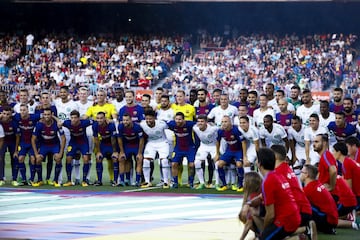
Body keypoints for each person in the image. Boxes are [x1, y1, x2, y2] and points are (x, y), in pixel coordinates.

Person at [255, 147, 301, 240]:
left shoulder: (268, 180)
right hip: (294, 216)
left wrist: (264, 230)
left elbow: (270, 215)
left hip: (285, 220)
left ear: (259, 164)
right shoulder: (277, 175)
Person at [271, 144, 315, 239]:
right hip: (303, 210)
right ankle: (302, 232)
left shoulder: (278, 172)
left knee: (276, 232)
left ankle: (304, 229)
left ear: (274, 156)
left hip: (298, 212)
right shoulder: (287, 168)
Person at [31, 108, 65, 187]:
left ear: (51, 115)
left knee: (58, 158)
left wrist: (61, 153)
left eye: (48, 114)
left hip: (54, 145)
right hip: (44, 145)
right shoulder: (39, 124)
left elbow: (63, 138)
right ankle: (40, 180)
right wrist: (36, 154)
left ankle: (56, 181)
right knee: (38, 159)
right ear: (43, 115)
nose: (47, 116)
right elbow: (33, 139)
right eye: (45, 114)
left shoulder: (56, 124)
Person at [60, 110, 93, 187]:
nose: (73, 119)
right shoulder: (67, 123)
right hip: (73, 143)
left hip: (83, 143)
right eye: (72, 118)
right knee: (68, 158)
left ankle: (84, 180)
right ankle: (69, 180)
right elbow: (59, 123)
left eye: (75, 118)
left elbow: (94, 121)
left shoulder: (84, 122)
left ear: (79, 118)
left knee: (85, 159)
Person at [215, 115, 247, 192]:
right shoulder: (220, 131)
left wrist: (245, 156)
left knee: (239, 164)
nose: (224, 123)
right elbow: (217, 141)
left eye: (225, 121)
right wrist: (217, 153)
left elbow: (243, 142)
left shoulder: (236, 130)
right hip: (229, 150)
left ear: (230, 122)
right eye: (222, 122)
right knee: (219, 164)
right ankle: (224, 185)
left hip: (238, 150)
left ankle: (240, 185)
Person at [140, 110, 170, 188]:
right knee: (146, 161)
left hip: (163, 142)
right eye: (147, 119)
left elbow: (171, 126)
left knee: (164, 161)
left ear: (154, 118)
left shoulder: (161, 124)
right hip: (151, 143)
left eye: (150, 119)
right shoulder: (142, 124)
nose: (148, 120)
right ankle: (147, 181)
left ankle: (166, 182)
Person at [166, 112, 196, 188]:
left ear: (183, 120)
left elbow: (199, 124)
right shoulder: (172, 124)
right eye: (176, 119)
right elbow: (163, 123)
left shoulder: (190, 124)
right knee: (174, 164)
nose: (178, 121)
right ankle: (175, 183)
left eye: (180, 119)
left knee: (191, 165)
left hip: (190, 148)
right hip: (178, 148)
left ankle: (191, 182)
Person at [13, 104, 41, 186]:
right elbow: (6, 115)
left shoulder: (34, 117)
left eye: (24, 110)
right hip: (23, 143)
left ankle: (32, 179)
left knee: (33, 159)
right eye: (21, 110)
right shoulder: (17, 117)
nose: (22, 112)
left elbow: (47, 116)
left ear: (28, 110)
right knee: (20, 158)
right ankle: (24, 179)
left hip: (33, 143)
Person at [92, 111, 118, 186]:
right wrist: (98, 151)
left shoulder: (111, 125)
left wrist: (115, 151)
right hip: (103, 144)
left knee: (114, 158)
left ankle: (115, 180)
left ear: (105, 118)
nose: (99, 120)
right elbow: (96, 139)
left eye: (101, 118)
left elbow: (113, 140)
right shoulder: (95, 126)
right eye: (98, 118)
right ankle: (99, 180)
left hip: (112, 145)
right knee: (98, 157)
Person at [117, 113, 144, 186]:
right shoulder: (120, 127)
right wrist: (122, 152)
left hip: (136, 145)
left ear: (131, 120)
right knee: (122, 159)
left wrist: (140, 153)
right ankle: (123, 180)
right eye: (124, 120)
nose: (125, 122)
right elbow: (119, 139)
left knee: (139, 160)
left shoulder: (137, 127)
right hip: (127, 145)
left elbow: (142, 140)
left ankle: (138, 181)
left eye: (127, 120)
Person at [192, 114, 218, 189]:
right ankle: (202, 183)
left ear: (206, 122)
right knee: (197, 163)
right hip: (203, 146)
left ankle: (217, 183)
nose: (200, 123)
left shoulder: (213, 128)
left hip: (214, 146)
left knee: (217, 164)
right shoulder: (195, 128)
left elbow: (221, 131)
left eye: (202, 121)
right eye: (198, 121)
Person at [333, 141, 360, 211]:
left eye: (333, 151)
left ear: (339, 152)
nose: (332, 154)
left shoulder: (346, 164)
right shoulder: (348, 161)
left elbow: (349, 188)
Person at [238, 172, 263, 240]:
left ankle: (261, 235)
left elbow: (249, 222)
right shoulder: (257, 193)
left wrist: (241, 238)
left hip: (268, 227)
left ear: (249, 184)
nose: (242, 182)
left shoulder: (253, 197)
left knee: (243, 215)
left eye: (244, 181)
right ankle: (258, 234)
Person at [0, 106, 19, 186]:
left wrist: (16, 150)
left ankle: (14, 179)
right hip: (2, 142)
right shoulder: (0, 122)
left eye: (8, 114)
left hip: (12, 142)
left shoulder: (14, 123)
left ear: (11, 114)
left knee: (14, 158)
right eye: (4, 114)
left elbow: (18, 137)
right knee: (0, 159)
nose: (6, 116)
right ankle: (1, 178)